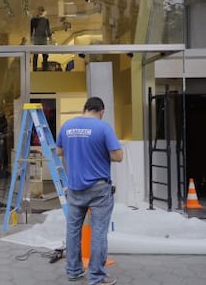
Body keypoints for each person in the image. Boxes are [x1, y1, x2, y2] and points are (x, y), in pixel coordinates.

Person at [56, 97, 123, 285]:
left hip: (75, 188)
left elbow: (59, 151)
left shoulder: (67, 126)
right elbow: (118, 156)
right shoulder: (103, 128)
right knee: (99, 232)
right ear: (101, 111)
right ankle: (96, 276)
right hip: (99, 190)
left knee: (72, 231)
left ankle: (74, 271)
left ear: (84, 108)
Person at [30, 6, 51, 71]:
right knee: (36, 54)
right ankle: (34, 68)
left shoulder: (46, 20)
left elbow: (48, 29)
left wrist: (49, 37)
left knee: (44, 55)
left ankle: (45, 68)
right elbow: (31, 30)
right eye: (40, 11)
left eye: (42, 11)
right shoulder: (33, 20)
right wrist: (31, 38)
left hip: (43, 38)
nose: (41, 12)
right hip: (36, 38)